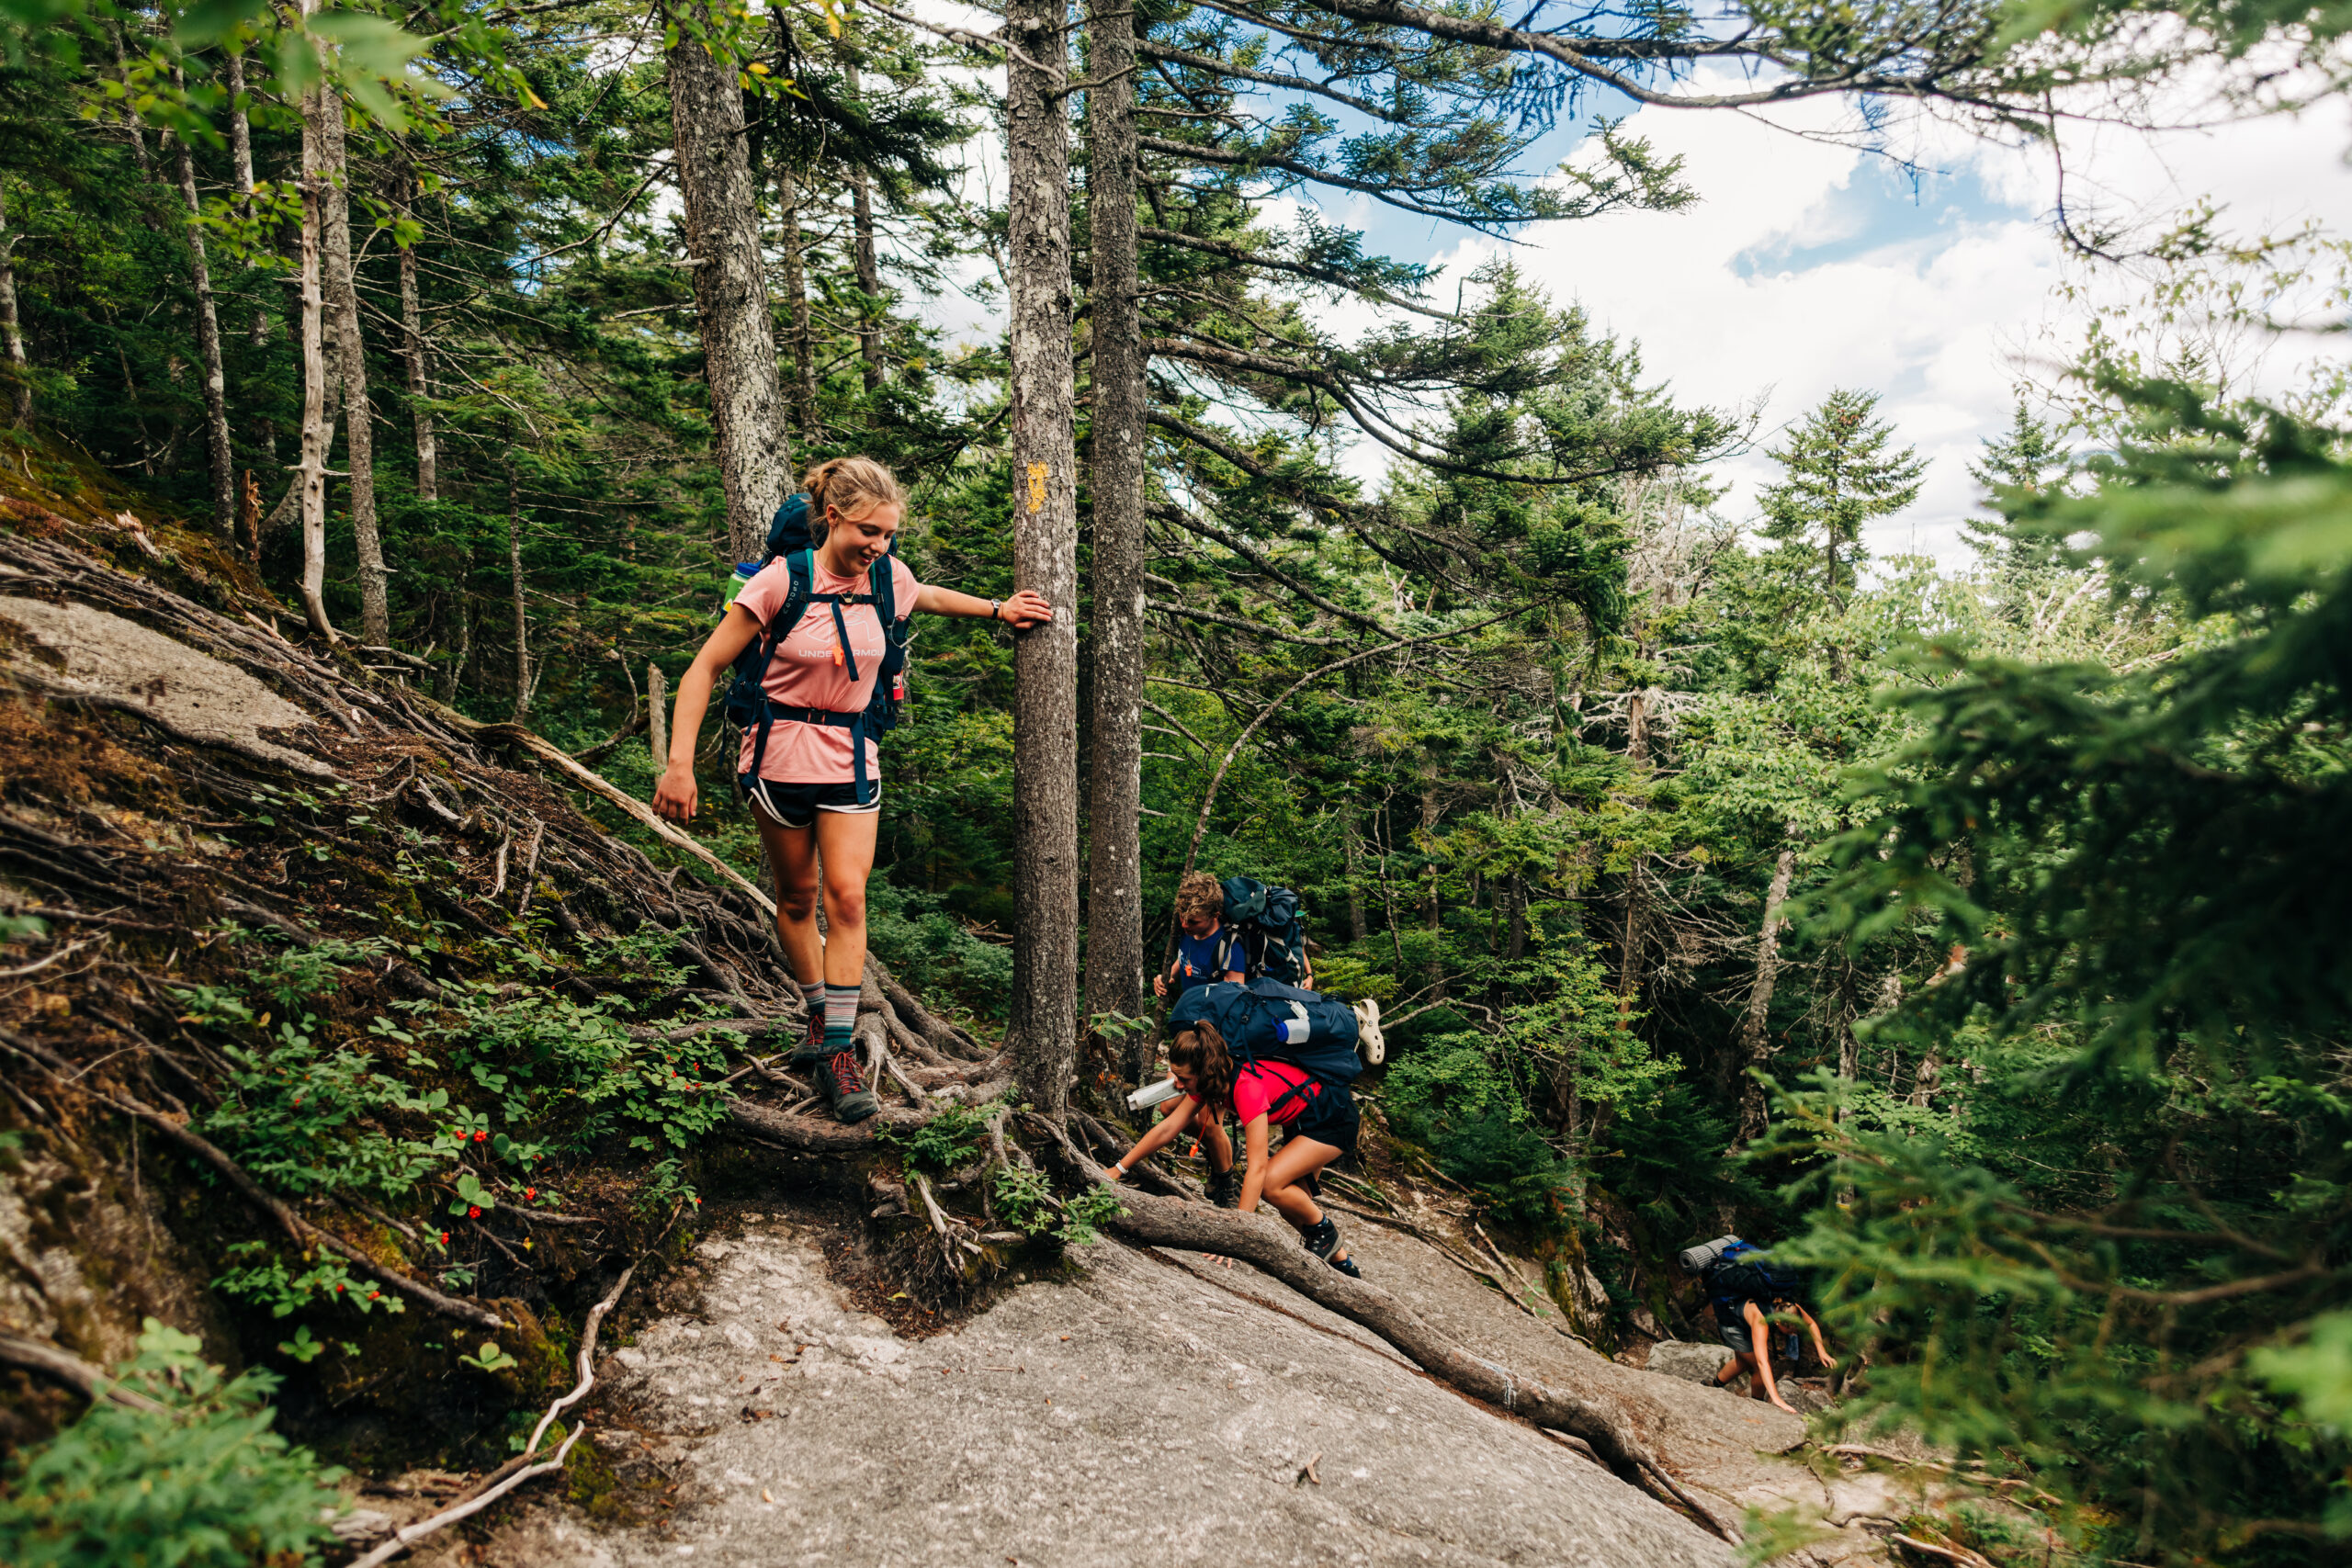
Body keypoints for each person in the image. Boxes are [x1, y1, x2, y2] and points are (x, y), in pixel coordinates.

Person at [653, 457, 1052, 1123]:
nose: (879, 545)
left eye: (889, 533)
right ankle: (818, 1014)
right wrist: (679, 763)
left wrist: (997, 608)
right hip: (777, 759)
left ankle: (837, 1048)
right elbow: (704, 667)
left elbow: (926, 595)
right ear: (832, 517)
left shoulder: (888, 576)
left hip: (849, 758)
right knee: (797, 897)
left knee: (846, 895)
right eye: (868, 530)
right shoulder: (784, 581)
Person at [1103, 1018, 1361, 1276]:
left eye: (1183, 1078)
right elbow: (1168, 1127)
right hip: (1306, 1121)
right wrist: (1119, 1168)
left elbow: (1257, 1167)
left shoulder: (1247, 1088)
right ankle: (1345, 1267)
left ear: (1203, 1071)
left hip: (1333, 1121)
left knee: (1272, 1184)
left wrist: (1235, 1238)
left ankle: (1325, 1233)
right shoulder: (1211, 1079)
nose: (1177, 1086)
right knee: (1292, 1207)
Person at [1687, 1238, 1833, 1414]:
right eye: (1791, 1331)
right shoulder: (1761, 1320)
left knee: (1742, 1362)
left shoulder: (1788, 1304)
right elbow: (1764, 1363)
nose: (1792, 1334)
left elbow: (1811, 1323)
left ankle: (1713, 1384)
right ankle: (1757, 1405)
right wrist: (1776, 1398)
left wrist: (1822, 1351)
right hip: (1731, 1324)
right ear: (1778, 1322)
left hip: (1740, 1314)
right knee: (1756, 1365)